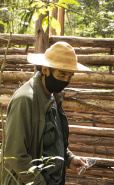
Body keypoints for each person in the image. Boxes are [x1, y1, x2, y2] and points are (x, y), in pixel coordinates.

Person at [1, 42, 91, 185]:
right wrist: (38, 182)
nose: (66, 81)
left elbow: (52, 138)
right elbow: (15, 154)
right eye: (62, 74)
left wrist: (68, 158)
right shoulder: (25, 100)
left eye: (70, 76)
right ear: (45, 70)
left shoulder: (51, 96)